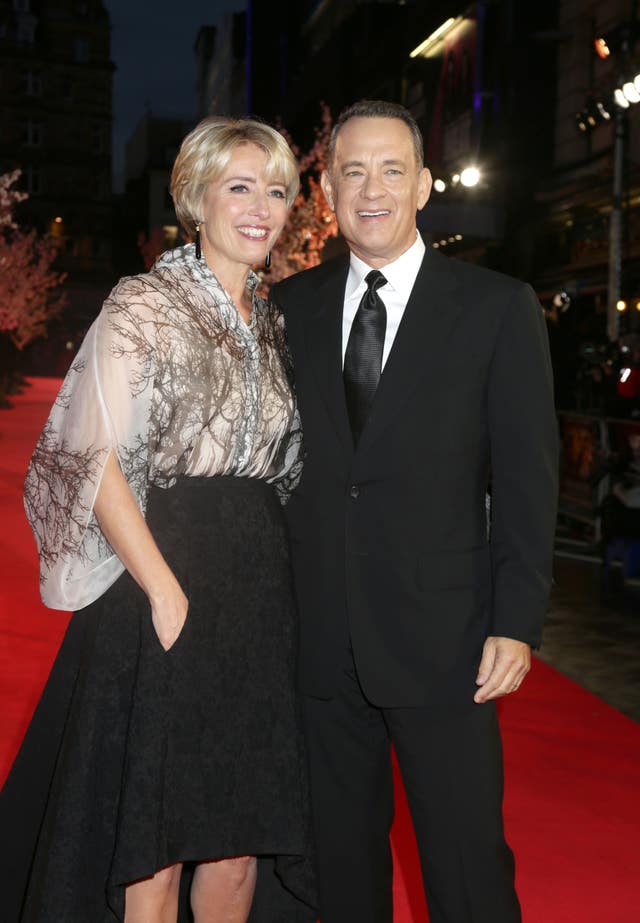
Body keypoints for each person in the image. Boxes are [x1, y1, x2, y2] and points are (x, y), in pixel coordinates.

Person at [0, 117, 315, 923]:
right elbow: (93, 455)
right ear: (196, 200)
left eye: (277, 190)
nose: (261, 207)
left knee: (240, 842)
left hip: (256, 590)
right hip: (162, 578)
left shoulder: (273, 319)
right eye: (238, 186)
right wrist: (165, 590)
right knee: (160, 835)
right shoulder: (146, 302)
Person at [272, 100, 559, 923]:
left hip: (449, 642)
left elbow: (528, 477)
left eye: (392, 169)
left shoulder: (497, 307)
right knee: (338, 869)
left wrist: (518, 619)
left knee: (466, 865)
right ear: (326, 189)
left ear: (425, 185)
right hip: (321, 641)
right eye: (353, 171)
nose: (373, 188)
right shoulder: (288, 309)